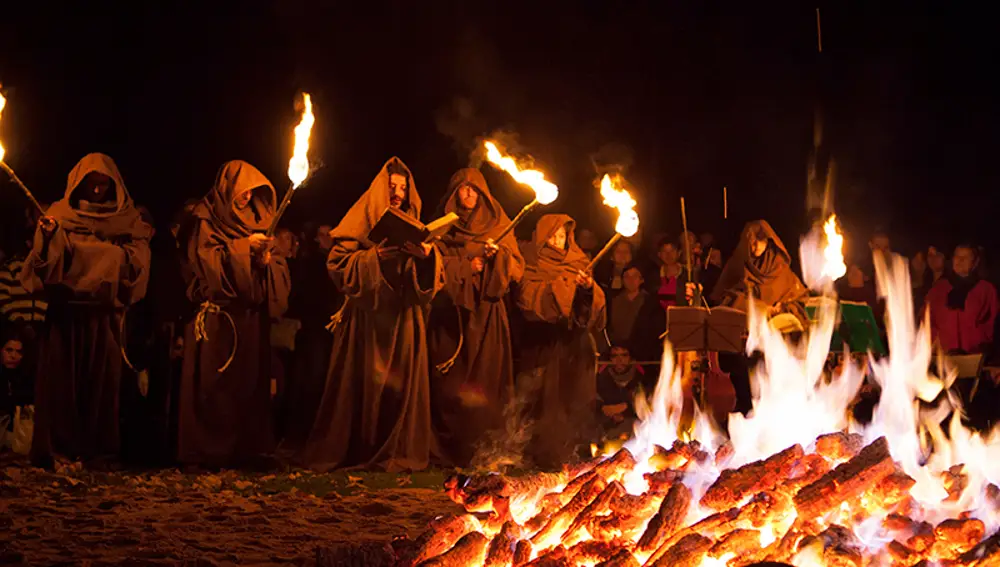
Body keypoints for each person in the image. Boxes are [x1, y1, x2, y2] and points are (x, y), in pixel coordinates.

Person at [302, 157, 443, 472]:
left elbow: (435, 278)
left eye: (403, 189)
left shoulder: (414, 221)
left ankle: (398, 450)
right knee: (365, 384)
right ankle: (363, 447)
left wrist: (427, 257)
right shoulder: (360, 220)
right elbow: (338, 264)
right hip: (367, 321)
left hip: (404, 318)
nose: (397, 193)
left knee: (402, 386)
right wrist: (372, 258)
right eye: (392, 187)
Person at [20, 153, 152, 467]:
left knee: (102, 386)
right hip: (66, 315)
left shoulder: (127, 219)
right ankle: (59, 449)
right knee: (61, 385)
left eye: (103, 185)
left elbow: (137, 261)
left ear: (113, 186)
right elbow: (46, 264)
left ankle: (96, 450)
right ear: (79, 184)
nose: (96, 192)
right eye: (91, 185)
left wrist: (100, 257)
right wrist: (51, 237)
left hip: (104, 315)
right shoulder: (60, 214)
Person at [176, 160, 290, 468]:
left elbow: (278, 266)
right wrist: (244, 248)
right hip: (219, 318)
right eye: (241, 190)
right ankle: (207, 451)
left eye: (251, 192)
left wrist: (266, 262)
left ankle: (247, 450)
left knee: (249, 386)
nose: (245, 197)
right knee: (215, 386)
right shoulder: (206, 219)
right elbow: (205, 263)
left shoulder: (261, 219)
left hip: (251, 320)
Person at [428, 168, 524, 466]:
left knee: (486, 381)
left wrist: (497, 259)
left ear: (483, 194)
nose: (468, 195)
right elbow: (433, 263)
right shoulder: (444, 227)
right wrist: (469, 264)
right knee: (449, 383)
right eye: (463, 189)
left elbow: (517, 268)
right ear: (454, 193)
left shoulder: (499, 224)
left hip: (487, 315)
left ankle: (485, 451)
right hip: (451, 315)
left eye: (474, 190)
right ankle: (451, 449)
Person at [516, 213, 607, 468]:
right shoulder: (532, 261)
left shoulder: (579, 262)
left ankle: (574, 455)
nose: (558, 241)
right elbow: (527, 297)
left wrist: (587, 288)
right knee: (544, 399)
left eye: (563, 236)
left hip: (575, 345)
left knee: (575, 397)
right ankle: (540, 455)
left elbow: (595, 305)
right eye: (553, 236)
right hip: (543, 343)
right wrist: (565, 287)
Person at [710, 220, 809, 330]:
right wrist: (762, 310)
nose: (756, 245)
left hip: (778, 335)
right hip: (747, 333)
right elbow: (725, 300)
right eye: (752, 241)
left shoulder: (779, 266)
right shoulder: (738, 266)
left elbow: (799, 298)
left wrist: (784, 307)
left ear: (768, 240)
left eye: (761, 239)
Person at [926, 244, 997, 355]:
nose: (960, 260)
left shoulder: (986, 290)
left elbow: (993, 322)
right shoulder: (938, 289)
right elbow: (927, 320)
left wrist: (981, 344)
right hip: (943, 356)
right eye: (957, 256)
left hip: (976, 356)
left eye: (966, 257)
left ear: (975, 262)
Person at [607, 262, 665, 363]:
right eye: (627, 277)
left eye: (635, 276)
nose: (631, 280)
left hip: (643, 355)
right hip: (617, 355)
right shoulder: (614, 301)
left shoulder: (651, 303)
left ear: (641, 280)